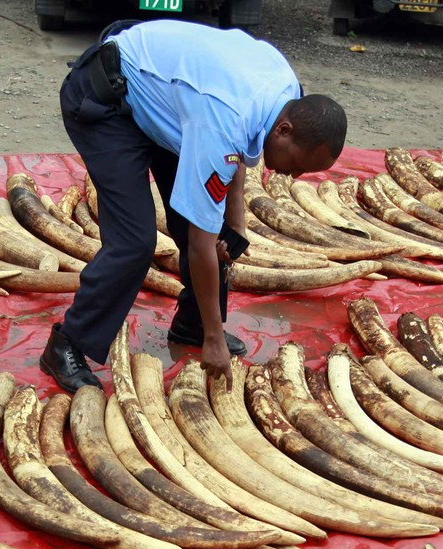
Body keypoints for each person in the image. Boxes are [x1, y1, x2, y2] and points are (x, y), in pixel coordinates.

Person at [40, 17, 347, 394]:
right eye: (298, 165)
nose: (295, 176)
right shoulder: (222, 123)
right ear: (284, 130)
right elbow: (205, 233)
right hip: (106, 101)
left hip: (171, 104)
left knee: (211, 227)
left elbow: (238, 151)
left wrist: (236, 220)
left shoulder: (287, 94)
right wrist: (217, 341)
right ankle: (67, 343)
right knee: (135, 242)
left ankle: (193, 325)